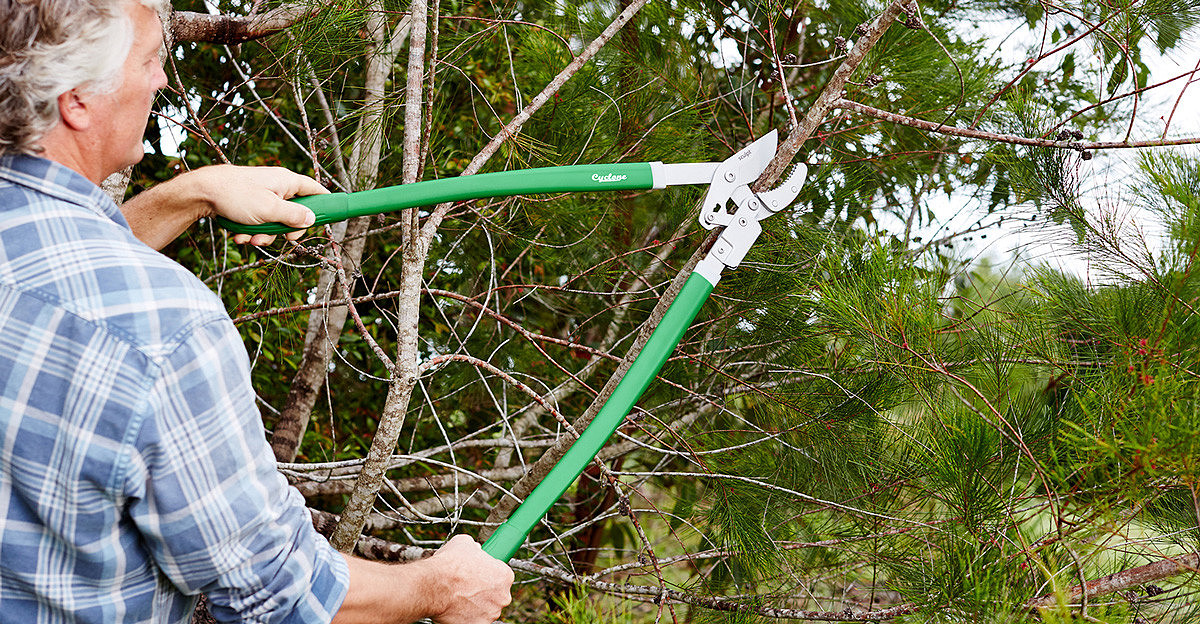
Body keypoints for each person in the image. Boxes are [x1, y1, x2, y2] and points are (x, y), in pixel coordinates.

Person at [0, 0, 514, 622]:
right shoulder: (166, 330)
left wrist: (191, 191)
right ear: (78, 99)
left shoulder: (52, 273)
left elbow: (51, 282)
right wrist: (436, 588)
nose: (161, 81)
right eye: (149, 61)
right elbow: (271, 590)